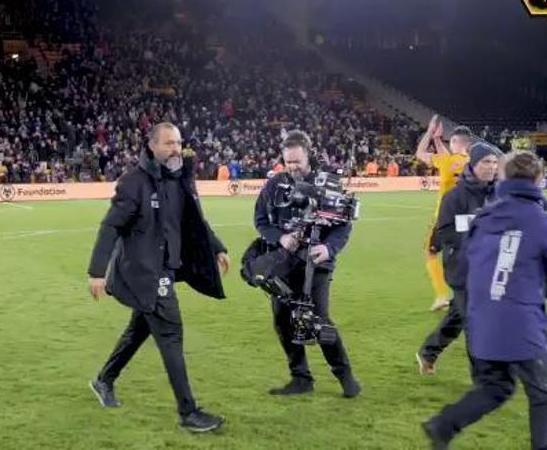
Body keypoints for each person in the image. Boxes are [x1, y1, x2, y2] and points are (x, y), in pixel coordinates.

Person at [422, 151, 547, 449]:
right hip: (521, 326)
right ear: (540, 179)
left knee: (495, 387)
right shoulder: (539, 219)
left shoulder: (484, 218)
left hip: (481, 321)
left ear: (503, 177)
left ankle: (443, 425)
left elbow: (470, 258)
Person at [86, 122, 231, 433]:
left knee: (140, 329)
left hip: (165, 269)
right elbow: (111, 226)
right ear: (152, 146)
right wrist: (97, 271)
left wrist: (217, 247)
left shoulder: (178, 180)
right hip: (144, 272)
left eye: (178, 143)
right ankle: (188, 413)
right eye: (169, 143)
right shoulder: (133, 182)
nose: (176, 149)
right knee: (171, 335)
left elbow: (194, 221)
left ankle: (104, 380)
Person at [252, 130, 361, 398]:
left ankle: (345, 376)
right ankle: (301, 378)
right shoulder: (274, 185)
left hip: (317, 262)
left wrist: (329, 247)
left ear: (308, 155)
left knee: (317, 319)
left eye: (297, 161)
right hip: (283, 263)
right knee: (282, 320)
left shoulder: (329, 183)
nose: (292, 167)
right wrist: (281, 238)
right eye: (288, 162)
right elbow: (261, 221)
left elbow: (343, 226)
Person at [416, 142, 501, 376]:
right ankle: (484, 379)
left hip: (492, 266)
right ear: (473, 164)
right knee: (475, 320)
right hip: (463, 268)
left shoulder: (499, 194)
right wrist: (474, 230)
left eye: (494, 162)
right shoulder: (454, 196)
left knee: (458, 316)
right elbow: (444, 232)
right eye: (486, 162)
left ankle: (428, 352)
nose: (492, 167)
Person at [415, 115, 472, 311]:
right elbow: (450, 160)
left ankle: (441, 295)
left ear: (455, 142)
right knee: (463, 255)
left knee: (430, 253)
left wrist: (430, 133)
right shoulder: (471, 162)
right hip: (466, 218)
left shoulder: (446, 161)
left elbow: (420, 152)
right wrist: (439, 141)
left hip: (444, 217)